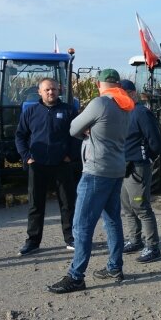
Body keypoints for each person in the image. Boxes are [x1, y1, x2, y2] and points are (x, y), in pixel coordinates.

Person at [47, 69, 135, 294]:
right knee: (112, 220)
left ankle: (76, 276)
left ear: (99, 84)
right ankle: (115, 267)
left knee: (82, 225)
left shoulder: (100, 103)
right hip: (116, 169)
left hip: (96, 170)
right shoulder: (125, 105)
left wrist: (87, 132)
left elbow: (73, 128)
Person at [15, 78, 79, 255]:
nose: (51, 92)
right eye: (47, 90)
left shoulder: (69, 110)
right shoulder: (31, 112)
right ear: (40, 92)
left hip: (61, 164)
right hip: (38, 165)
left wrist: (70, 156)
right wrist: (27, 157)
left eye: (54, 89)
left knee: (67, 203)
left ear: (59, 90)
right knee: (36, 204)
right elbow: (20, 136)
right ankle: (33, 241)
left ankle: (71, 237)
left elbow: (76, 135)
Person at [119, 80, 161, 263]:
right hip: (122, 167)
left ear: (131, 93)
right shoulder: (121, 113)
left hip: (138, 166)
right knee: (127, 207)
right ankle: (135, 240)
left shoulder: (141, 113)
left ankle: (152, 246)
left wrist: (147, 158)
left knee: (141, 207)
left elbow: (156, 142)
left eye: (122, 93)